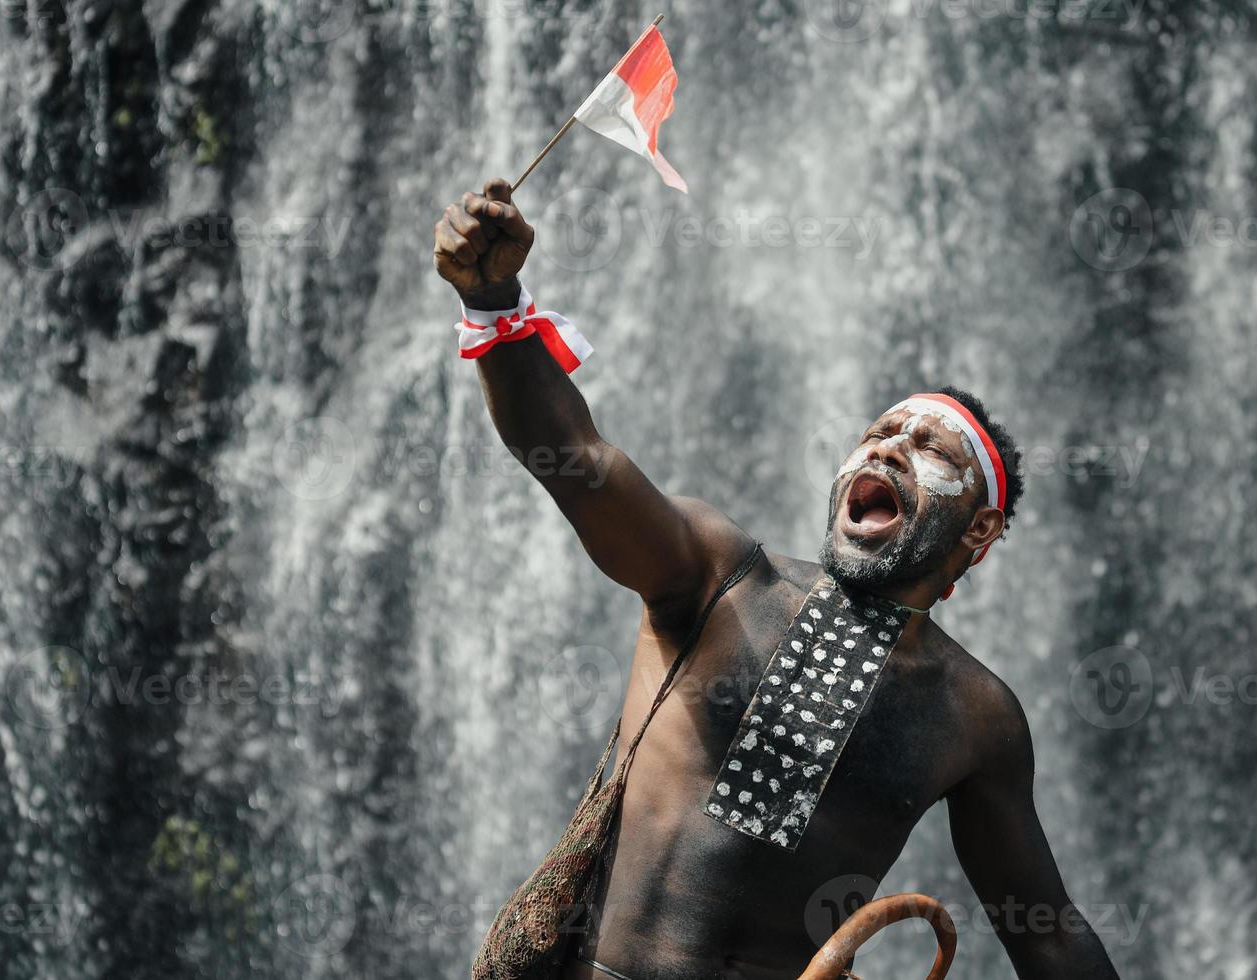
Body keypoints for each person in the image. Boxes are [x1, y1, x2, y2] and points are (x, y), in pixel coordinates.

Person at [433, 179, 1121, 980]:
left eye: (930, 449)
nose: (887, 449)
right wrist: (494, 303)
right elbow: (577, 459)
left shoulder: (976, 715)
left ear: (978, 530)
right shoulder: (720, 576)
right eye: (878, 432)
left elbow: (1049, 936)